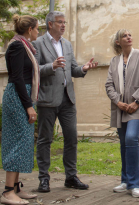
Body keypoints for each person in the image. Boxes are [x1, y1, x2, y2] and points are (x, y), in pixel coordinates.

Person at [33, 11, 98, 192]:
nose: (63, 25)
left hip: (67, 99)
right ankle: (43, 179)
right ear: (50, 24)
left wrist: (83, 68)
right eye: (60, 22)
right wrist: (51, 66)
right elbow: (34, 70)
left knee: (71, 138)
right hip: (47, 99)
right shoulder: (38, 43)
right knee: (45, 140)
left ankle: (71, 177)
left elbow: (72, 69)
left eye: (64, 22)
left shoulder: (67, 44)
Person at [105, 29, 139, 198]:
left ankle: (134, 184)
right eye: (125, 36)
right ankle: (125, 180)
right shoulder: (114, 61)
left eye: (130, 35)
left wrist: (136, 101)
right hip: (120, 107)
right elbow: (109, 85)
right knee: (124, 143)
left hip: (137, 107)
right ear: (118, 41)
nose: (129, 37)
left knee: (131, 138)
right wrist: (118, 102)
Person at [1, 14, 40, 205]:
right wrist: (28, 106)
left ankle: (16, 188)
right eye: (37, 29)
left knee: (22, 140)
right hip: (18, 96)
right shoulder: (17, 46)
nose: (38, 32)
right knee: (17, 141)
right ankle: (8, 192)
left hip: (22, 93)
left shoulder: (25, 46)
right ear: (29, 29)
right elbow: (16, 77)